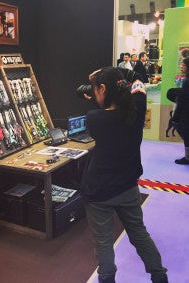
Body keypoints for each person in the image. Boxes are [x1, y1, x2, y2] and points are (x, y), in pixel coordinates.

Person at [81, 67, 168, 283]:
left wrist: (96, 92)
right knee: (139, 234)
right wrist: (111, 77)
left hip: (98, 191)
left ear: (102, 89)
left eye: (96, 89)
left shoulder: (94, 119)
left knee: (103, 244)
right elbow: (137, 83)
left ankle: (107, 280)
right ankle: (159, 276)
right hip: (128, 186)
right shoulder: (137, 108)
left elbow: (104, 115)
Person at [167, 57, 189, 164]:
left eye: (183, 65)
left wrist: (175, 117)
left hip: (185, 113)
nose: (181, 66)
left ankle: (188, 158)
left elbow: (182, 101)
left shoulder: (186, 81)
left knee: (186, 134)